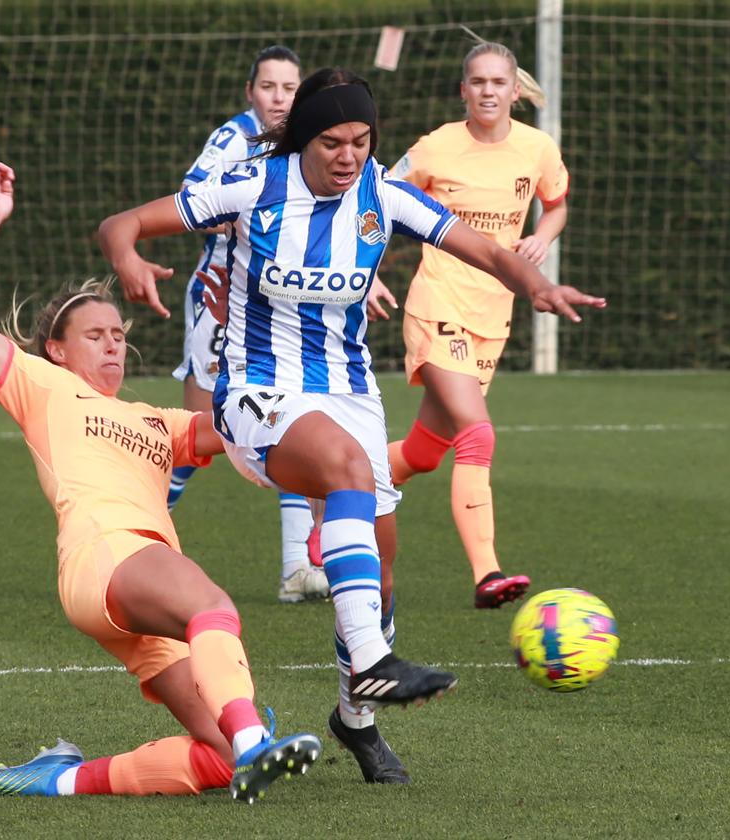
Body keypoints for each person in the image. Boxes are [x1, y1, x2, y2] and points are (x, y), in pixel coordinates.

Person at [98, 68, 605, 784]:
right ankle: (372, 662)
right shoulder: (251, 187)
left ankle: (355, 720)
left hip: (350, 394)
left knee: (381, 574)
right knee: (342, 468)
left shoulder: (384, 195)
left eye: (362, 142)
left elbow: (488, 251)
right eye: (333, 142)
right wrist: (127, 256)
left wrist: (539, 284)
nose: (348, 157)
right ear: (304, 138)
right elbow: (122, 223)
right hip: (255, 391)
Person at [0, 162, 320, 804]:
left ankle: (55, 780)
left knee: (217, 760)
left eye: (119, 334)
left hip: (130, 589)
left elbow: (238, 422)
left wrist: (246, 331)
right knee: (212, 609)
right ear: (57, 350)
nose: (113, 345)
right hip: (106, 554)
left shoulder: (154, 421)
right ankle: (256, 740)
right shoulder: (41, 382)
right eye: (95, 334)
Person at [386, 40, 572, 610]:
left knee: (424, 452)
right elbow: (377, 203)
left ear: (515, 91)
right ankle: (488, 572)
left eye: (498, 82)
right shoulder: (434, 149)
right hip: (438, 303)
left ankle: (333, 493)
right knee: (478, 432)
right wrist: (365, 272)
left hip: (494, 314)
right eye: (478, 82)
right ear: (463, 90)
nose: (488, 91)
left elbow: (558, 202)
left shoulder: (537, 148)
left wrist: (544, 233)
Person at [165, 46, 329, 606]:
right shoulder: (233, 139)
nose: (279, 97)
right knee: (193, 437)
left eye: (289, 87)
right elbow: (192, 200)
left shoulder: (310, 141)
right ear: (250, 92)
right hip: (221, 296)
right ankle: (131, 537)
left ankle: (295, 571)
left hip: (281, 305)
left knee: (293, 422)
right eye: (269, 87)